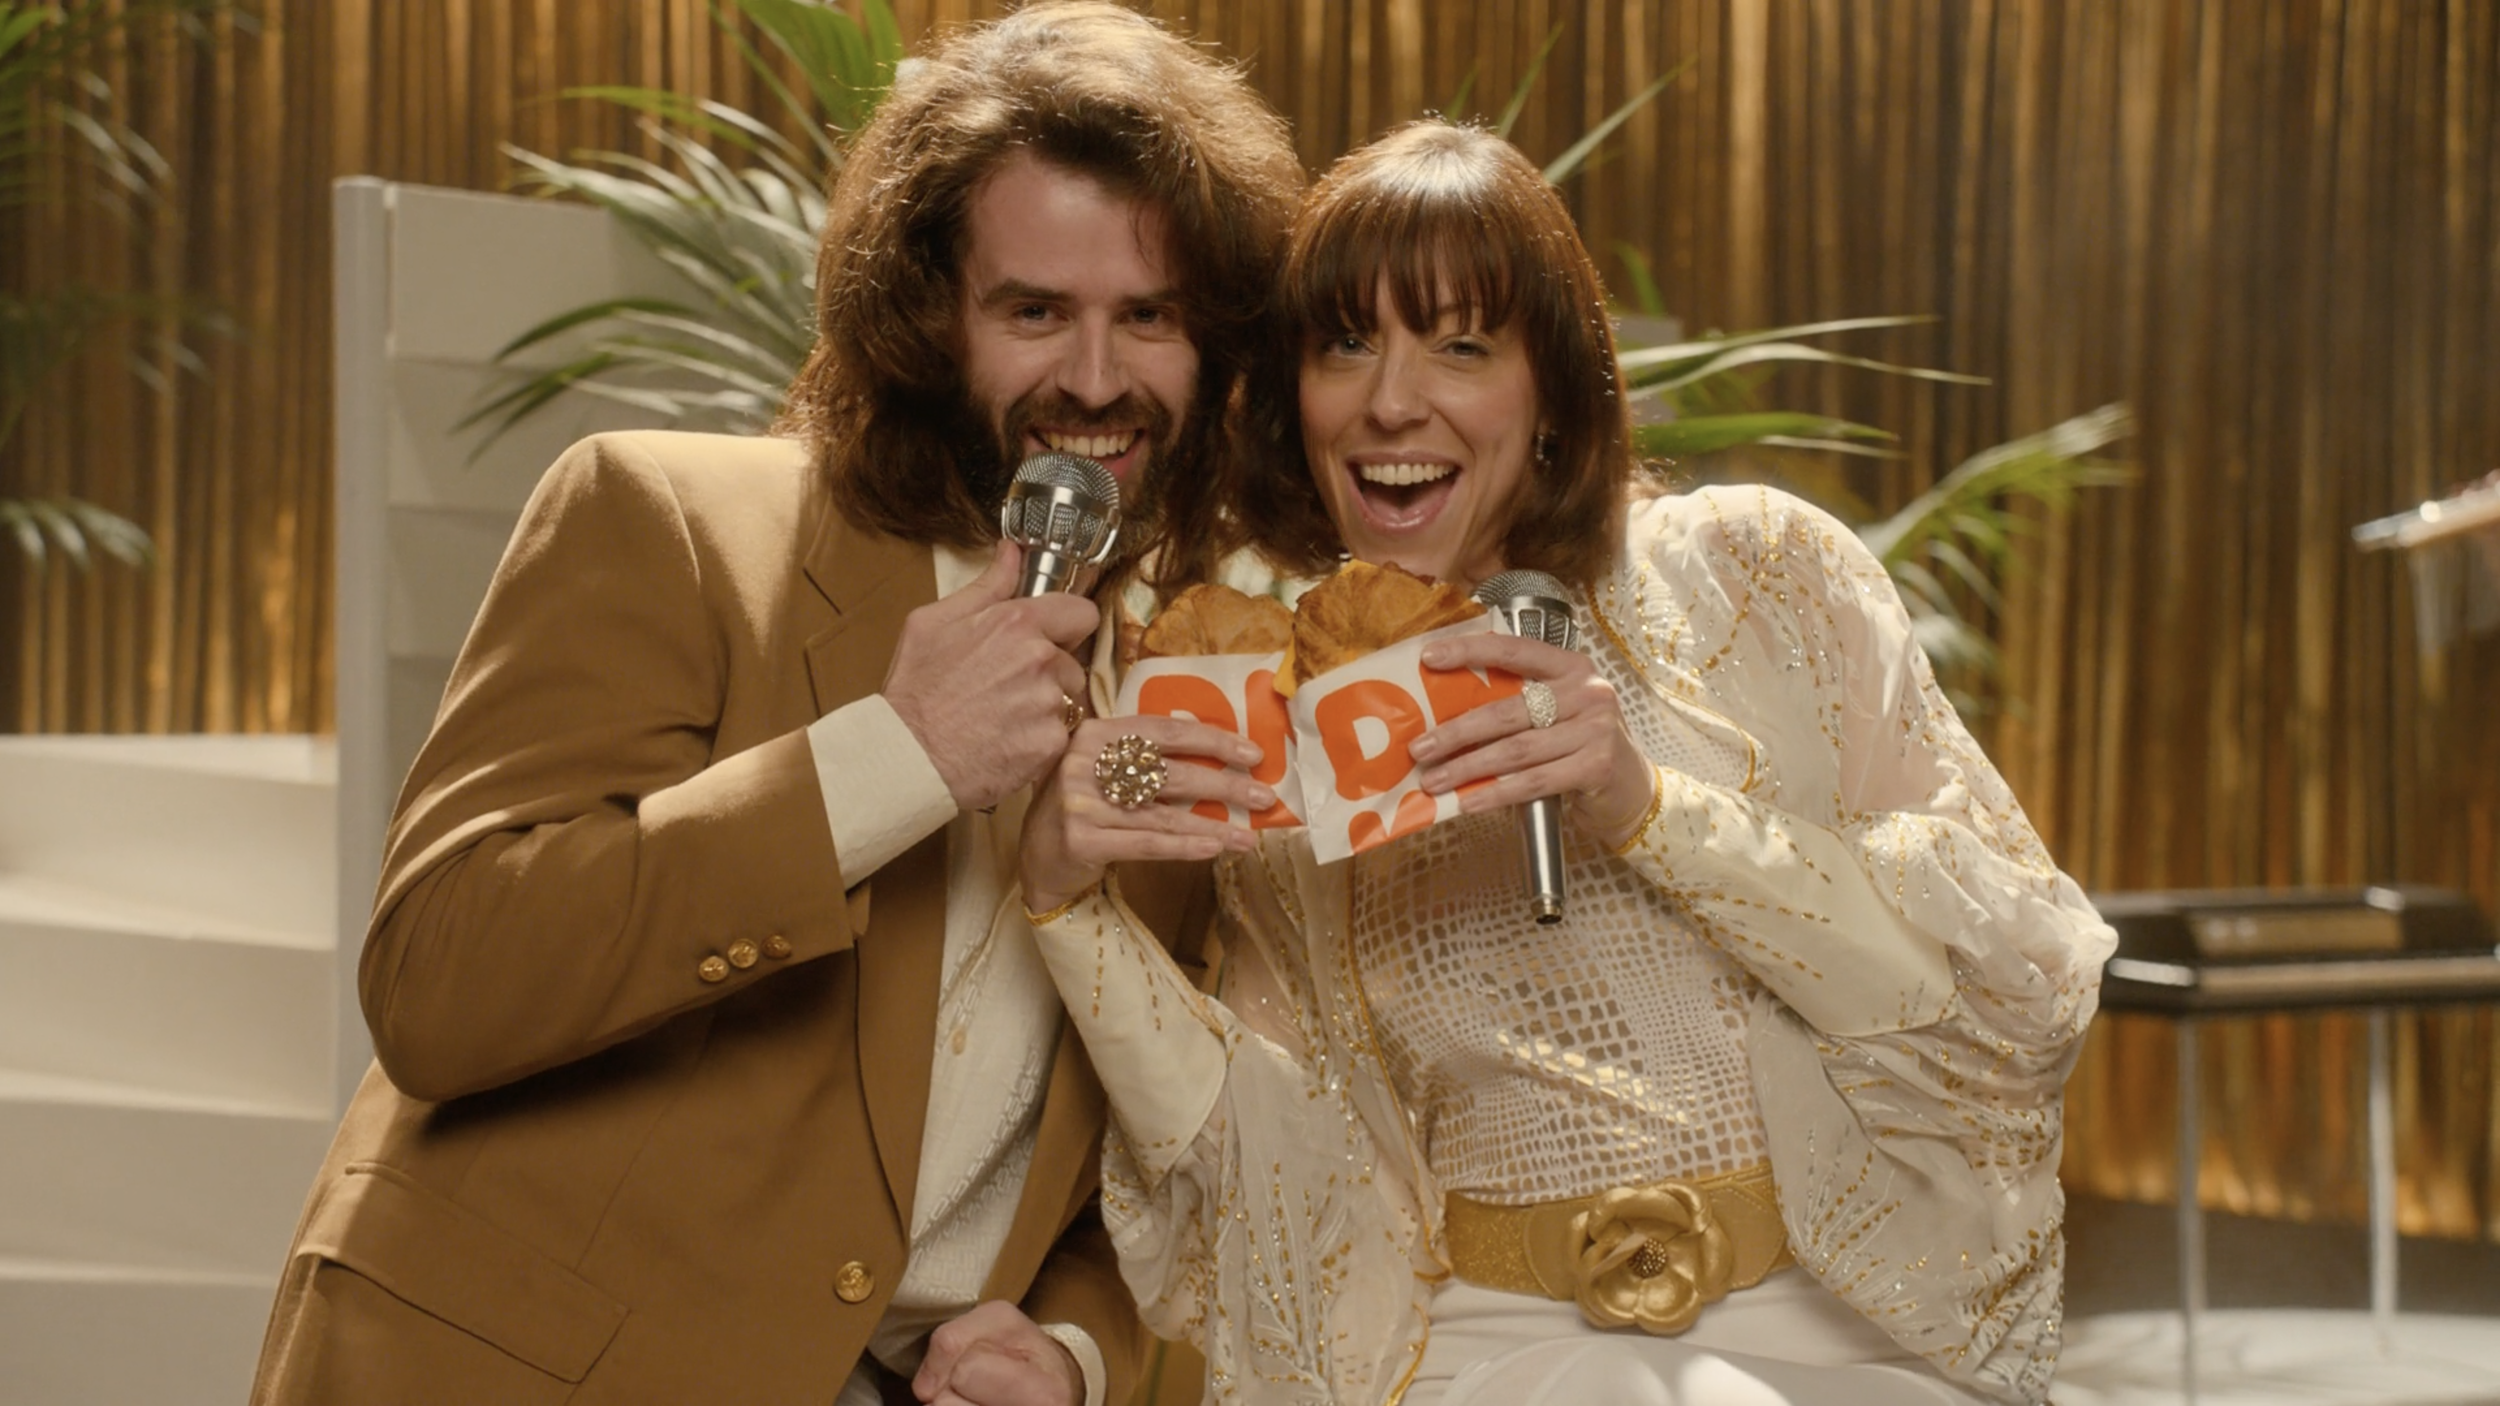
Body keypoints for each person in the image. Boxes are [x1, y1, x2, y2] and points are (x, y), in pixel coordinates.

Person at [247, 8, 1300, 1405]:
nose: (1096, 380)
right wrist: (890, 758)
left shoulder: (1200, 691)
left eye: (1148, 317)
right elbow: (438, 982)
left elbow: (1151, 1146)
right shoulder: (670, 519)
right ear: (931, 317)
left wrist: (1071, 1346)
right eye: (1034, 311)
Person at [1016, 121, 2117, 1406]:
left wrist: (1644, 806)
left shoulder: (1757, 573)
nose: (1390, 400)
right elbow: (1276, 1166)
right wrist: (1064, 905)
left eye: (1461, 345)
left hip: (1837, 1329)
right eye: (1346, 344)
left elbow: (1989, 1013)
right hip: (1488, 1353)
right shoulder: (1294, 708)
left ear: (1551, 390)